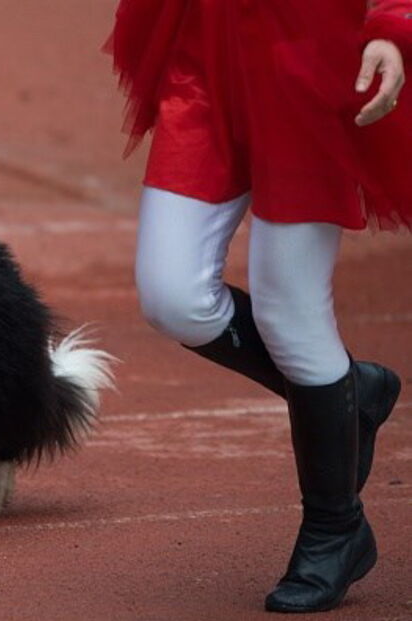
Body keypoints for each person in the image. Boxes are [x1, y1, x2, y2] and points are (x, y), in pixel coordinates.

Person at [105, 0, 409, 613]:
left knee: (289, 312)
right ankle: (352, 394)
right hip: (204, 61)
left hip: (315, 67)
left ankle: (335, 530)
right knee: (172, 298)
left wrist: (396, 26)